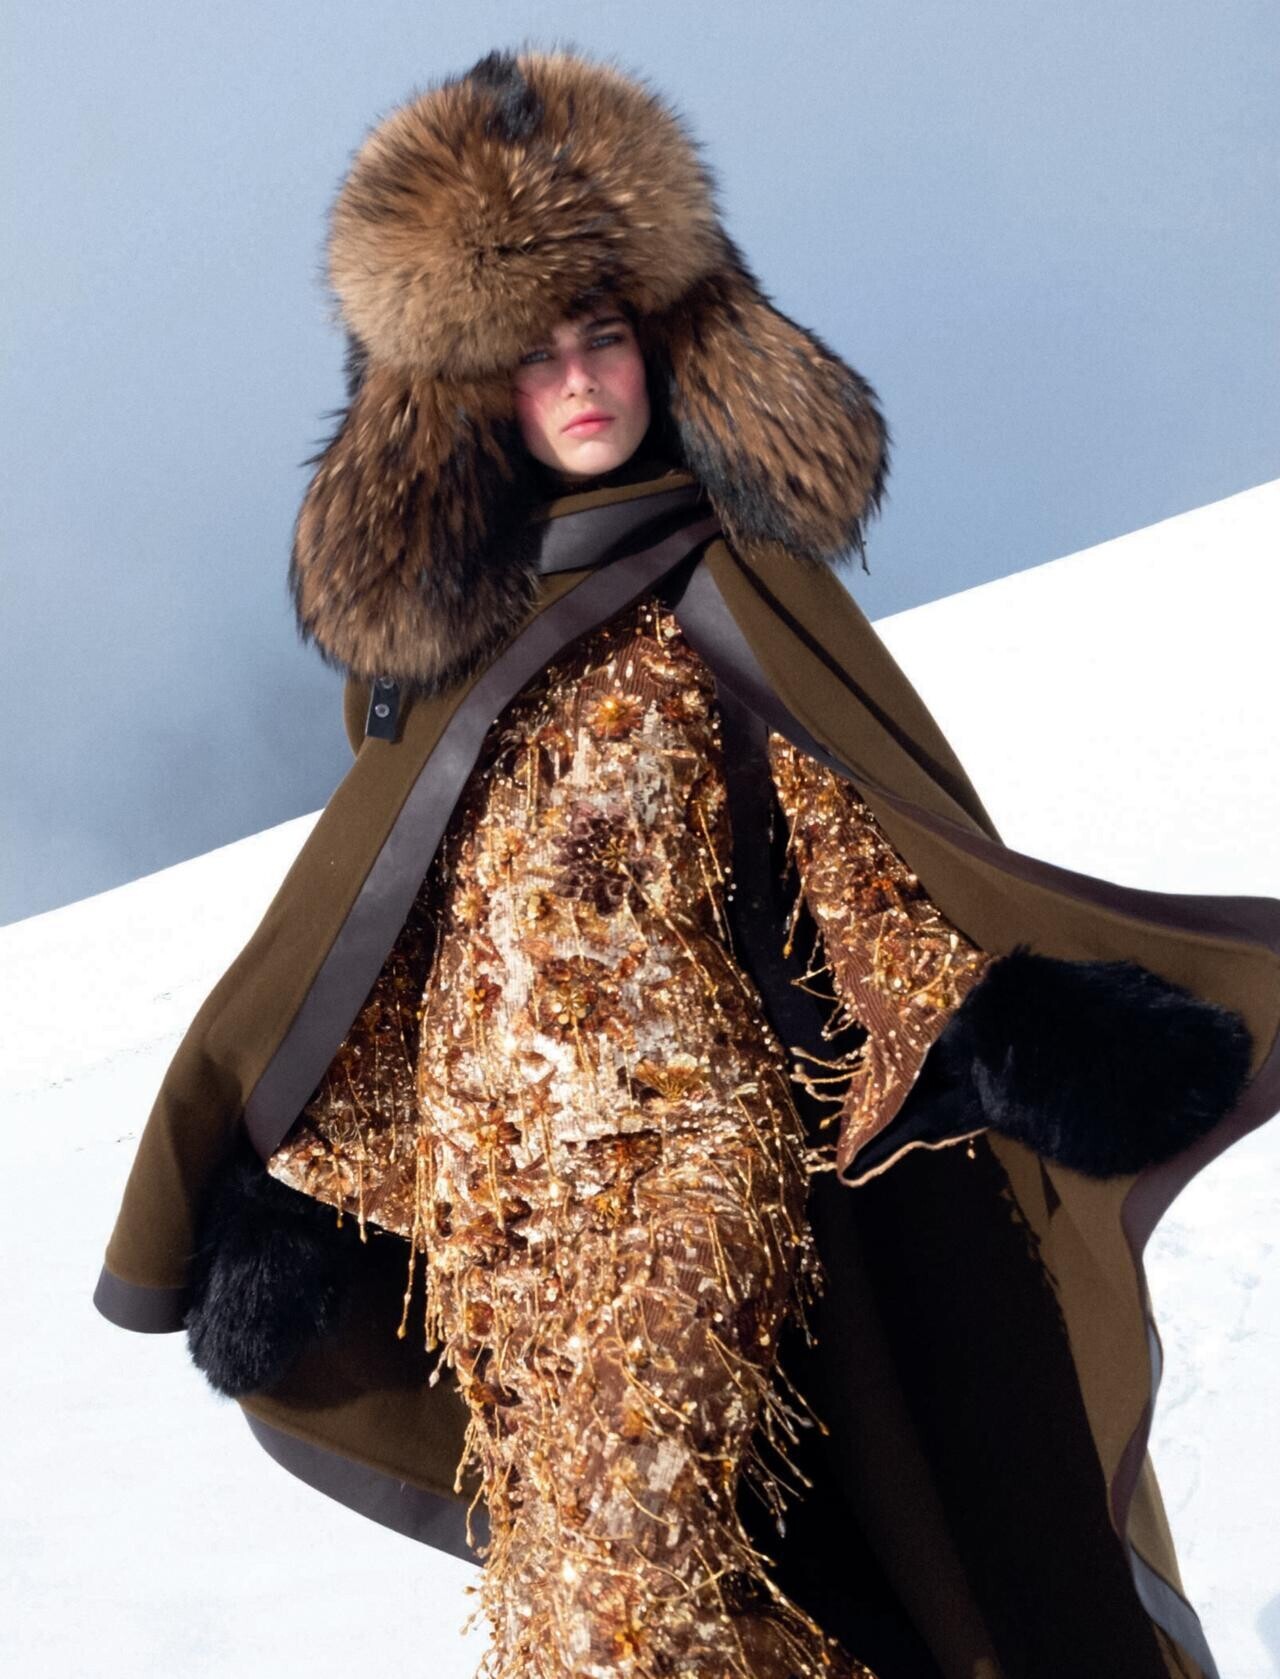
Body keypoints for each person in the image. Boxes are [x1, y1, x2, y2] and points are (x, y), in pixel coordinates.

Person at [93, 47, 1280, 1679]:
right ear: (465, 396)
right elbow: (409, 965)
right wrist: (298, 1200)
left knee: (629, 1602)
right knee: (618, 1627)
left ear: (667, 341)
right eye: (532, 355)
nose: (580, 380)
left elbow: (863, 859)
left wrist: (1009, 1023)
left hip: (693, 1200)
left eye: (605, 335)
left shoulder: (732, 600)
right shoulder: (444, 678)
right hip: (504, 1254)